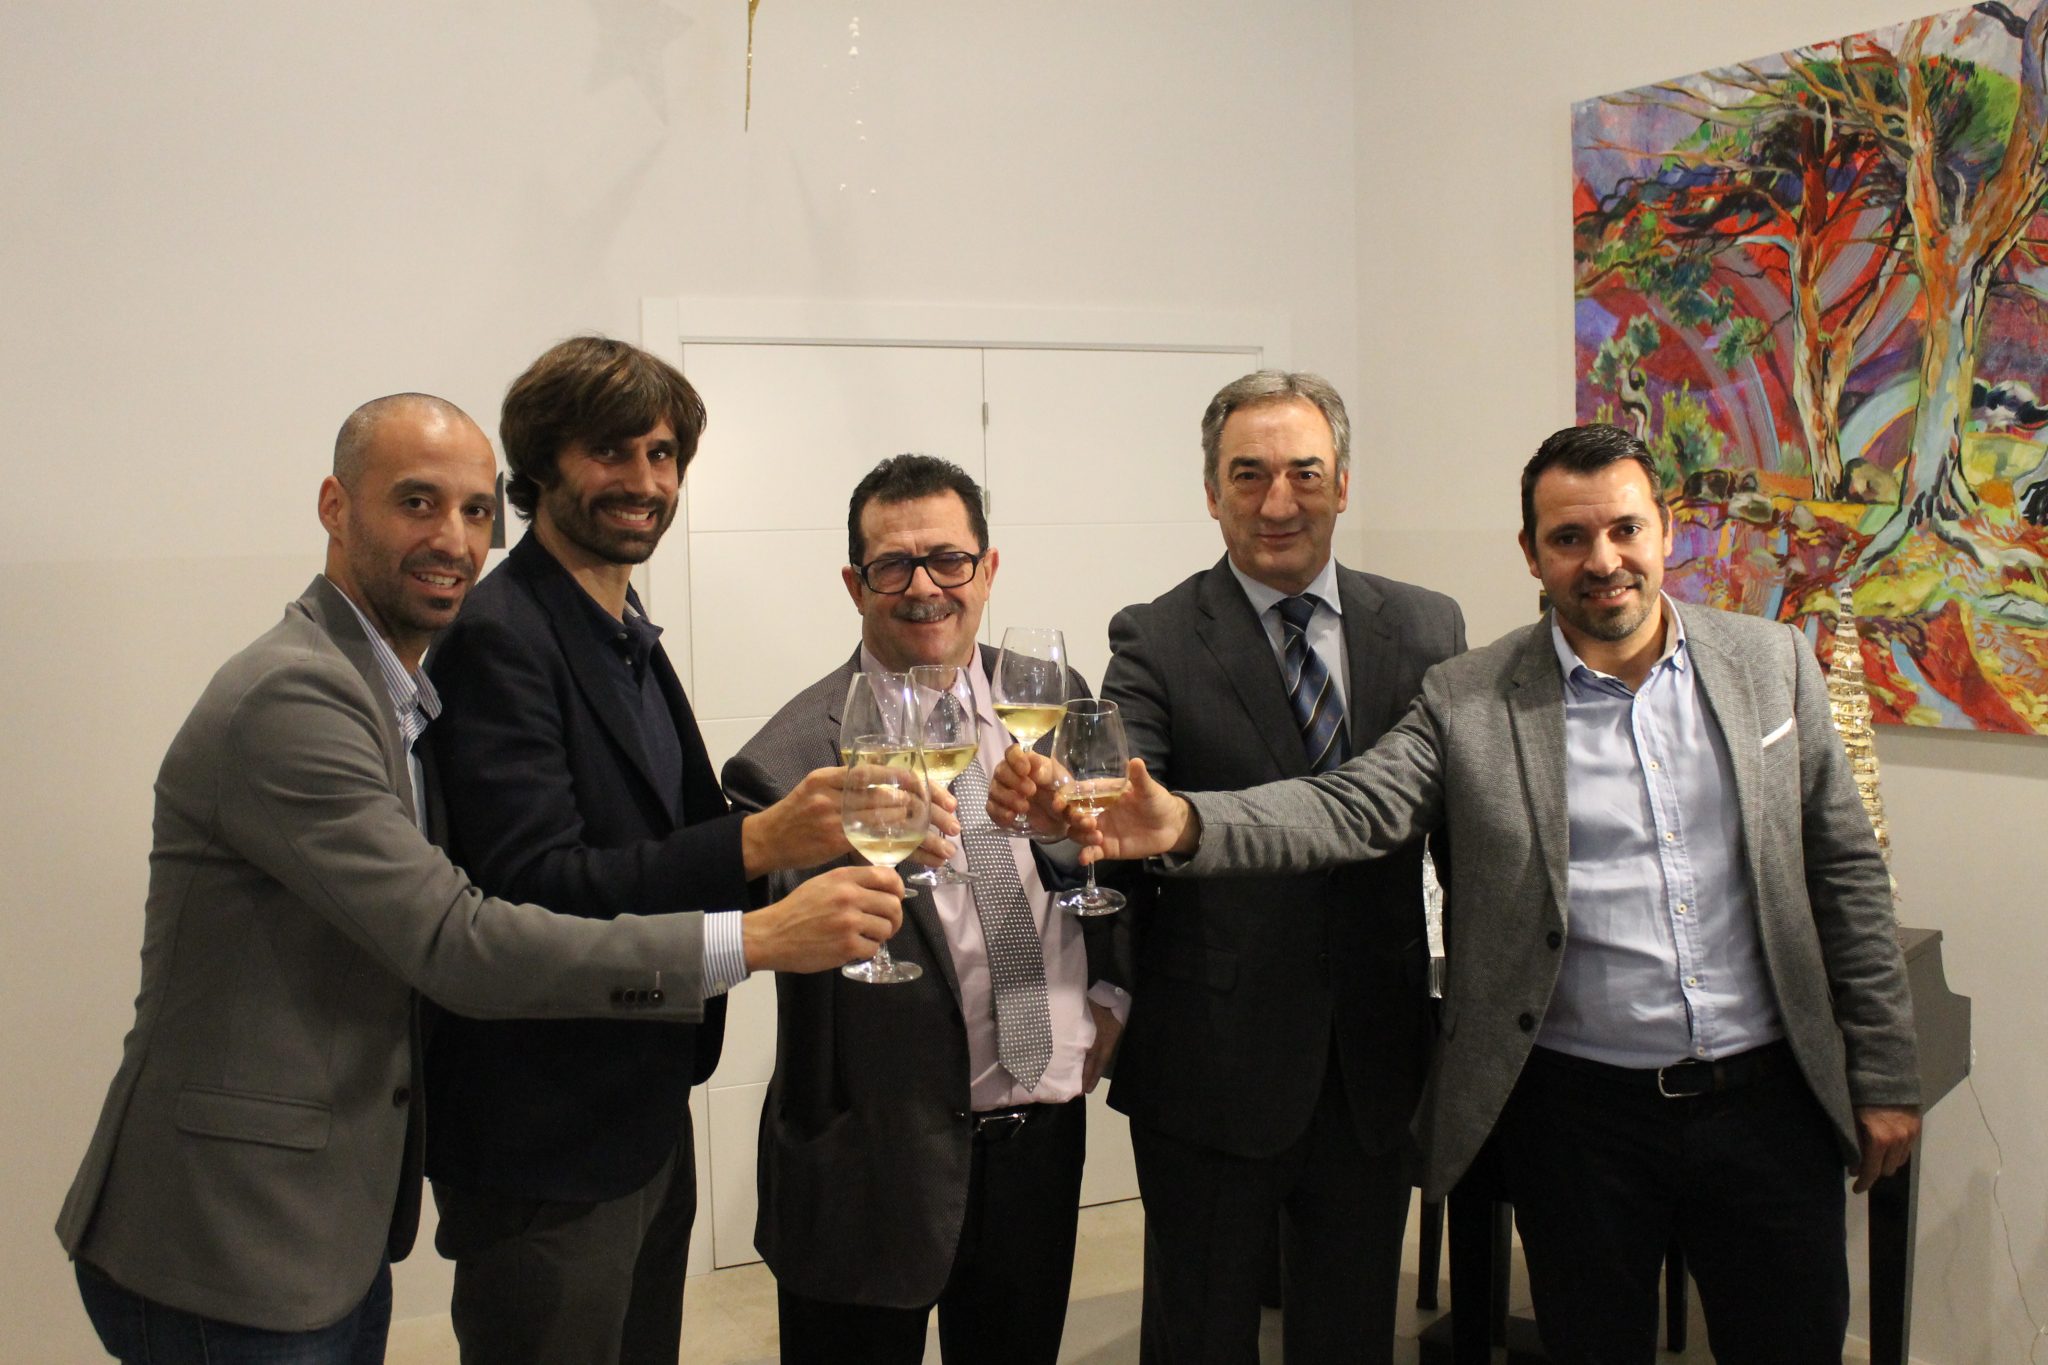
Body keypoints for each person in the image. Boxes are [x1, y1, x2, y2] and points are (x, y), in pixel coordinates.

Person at [998, 423, 1922, 1365]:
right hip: (1581, 1121)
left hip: (1766, 1106)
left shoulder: (1772, 664)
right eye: (1570, 538)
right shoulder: (1471, 698)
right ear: (1531, 552)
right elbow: (1349, 805)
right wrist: (1188, 823)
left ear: (1666, 530)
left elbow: (1845, 869)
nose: (1603, 561)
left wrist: (1886, 1070)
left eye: (1625, 529)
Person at [55, 394, 902, 1365]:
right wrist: (752, 938)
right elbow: (458, 939)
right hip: (227, 1233)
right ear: (335, 506)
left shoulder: (401, 689)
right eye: (416, 503)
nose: (454, 541)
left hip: (330, 1213)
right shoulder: (297, 693)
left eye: (471, 511)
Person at [419, 337, 887, 1365]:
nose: (644, 481)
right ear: (540, 465)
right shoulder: (501, 632)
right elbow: (530, 887)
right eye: (611, 451)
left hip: (640, 1097)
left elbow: (663, 837)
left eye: (663, 453)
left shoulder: (621, 625)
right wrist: (759, 840)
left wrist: (803, 848)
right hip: (545, 1128)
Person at [721, 454, 1125, 1365]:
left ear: (988, 568)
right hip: (870, 1161)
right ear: (853, 584)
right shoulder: (786, 757)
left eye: (947, 559)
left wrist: (1113, 997)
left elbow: (1117, 857)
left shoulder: (1052, 700)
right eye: (892, 565)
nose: (924, 587)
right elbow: (769, 929)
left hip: (1037, 1144)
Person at [1100, 371, 1464, 1364]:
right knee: (1200, 1335)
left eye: (1304, 472)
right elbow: (1122, 810)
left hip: (1373, 1058)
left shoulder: (1427, 629)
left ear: (1342, 484)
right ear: (1210, 493)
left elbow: (1459, 832)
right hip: (1210, 1062)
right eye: (1247, 475)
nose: (1277, 502)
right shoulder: (1155, 637)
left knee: (1351, 1334)